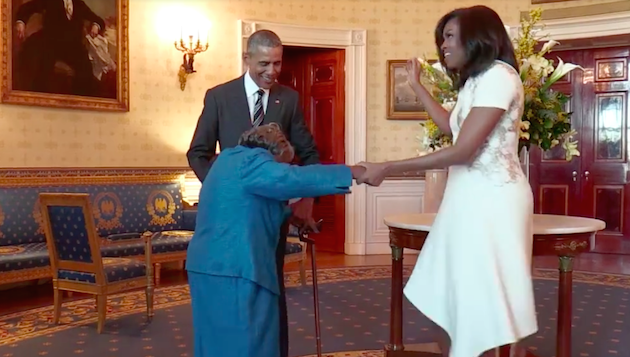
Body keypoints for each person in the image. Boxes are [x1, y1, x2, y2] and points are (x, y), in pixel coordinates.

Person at [357, 5, 537, 357]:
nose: (443, 46)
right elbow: (452, 127)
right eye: (442, 39)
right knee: (462, 284)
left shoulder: (499, 76)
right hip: (468, 195)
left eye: (450, 37)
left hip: (493, 198)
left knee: (486, 287)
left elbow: (463, 151)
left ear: (477, 37)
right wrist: (418, 87)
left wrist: (387, 167)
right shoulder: (477, 80)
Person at [186, 29, 320, 357]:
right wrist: (223, 191)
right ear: (246, 59)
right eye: (264, 63)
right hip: (227, 223)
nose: (272, 71)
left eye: (277, 64)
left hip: (268, 220)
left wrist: (306, 201)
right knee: (228, 293)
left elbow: (309, 154)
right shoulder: (219, 97)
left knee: (270, 289)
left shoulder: (287, 99)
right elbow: (197, 152)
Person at [186, 123, 365, 357]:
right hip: (237, 269)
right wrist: (352, 172)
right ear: (276, 150)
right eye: (284, 162)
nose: (284, 167)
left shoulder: (226, 161)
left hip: (207, 267)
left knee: (214, 344)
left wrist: (292, 215)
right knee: (249, 344)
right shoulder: (253, 162)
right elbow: (288, 179)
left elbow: (248, 208)